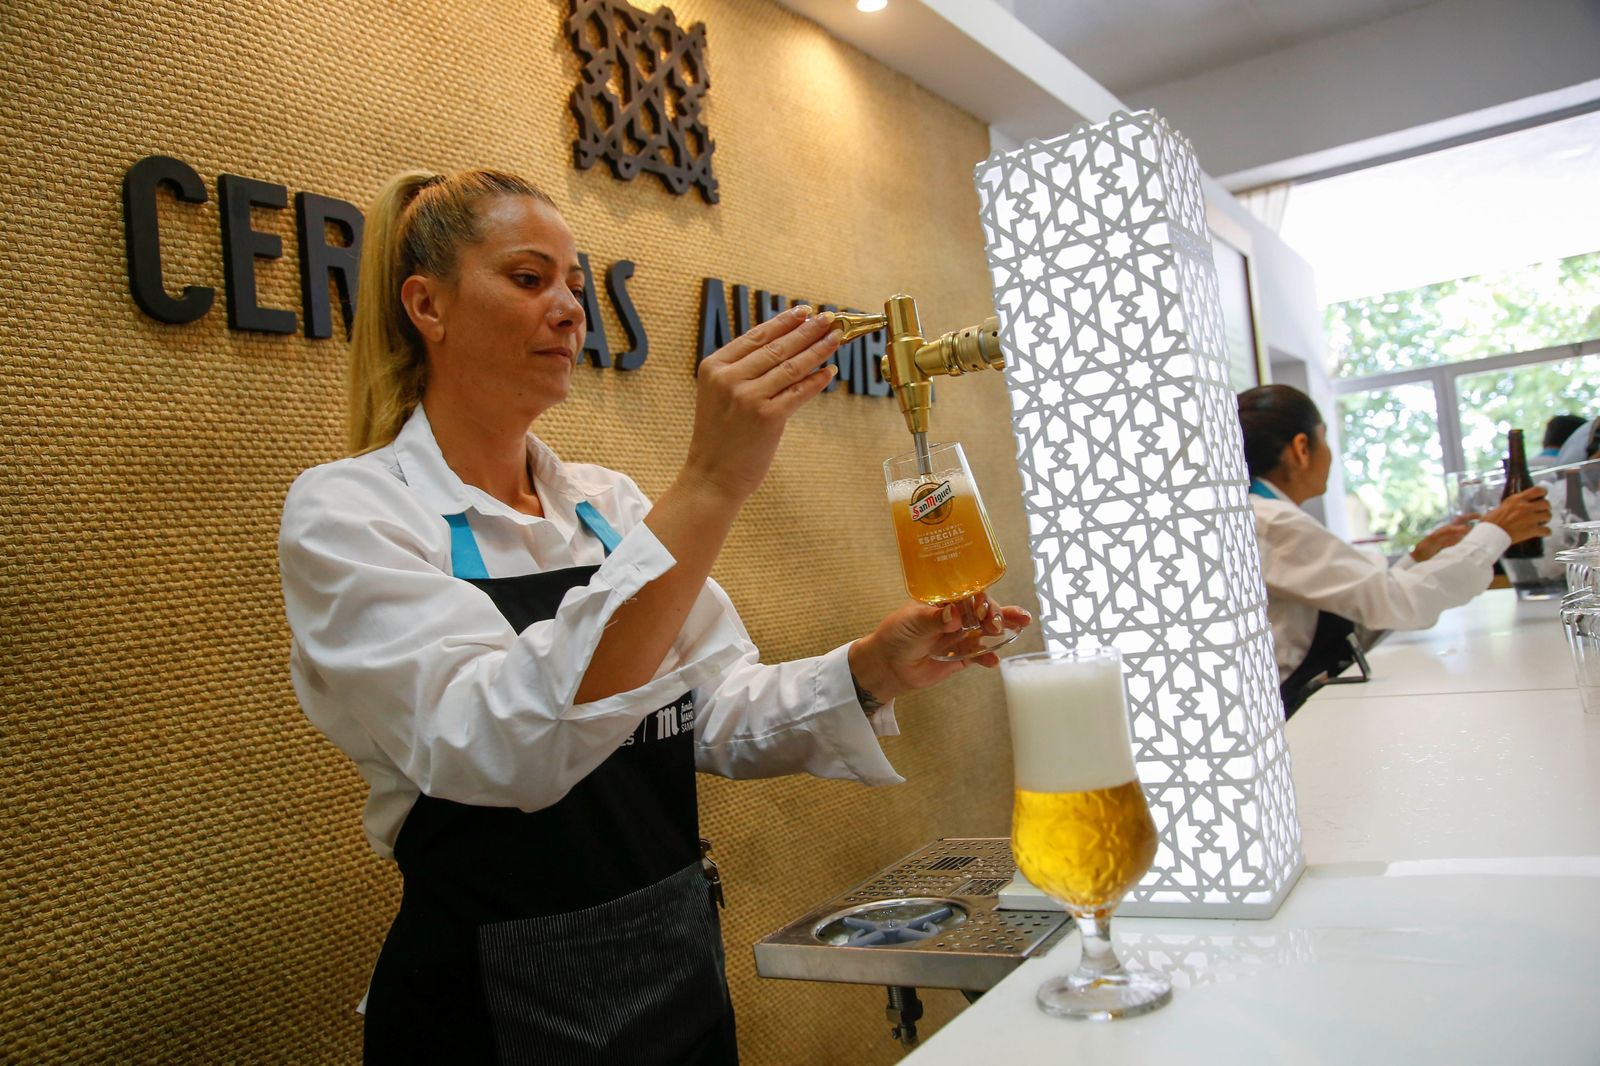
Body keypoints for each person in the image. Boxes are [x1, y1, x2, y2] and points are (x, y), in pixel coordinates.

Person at [277, 169, 1031, 1064]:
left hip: (674, 966)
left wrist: (872, 667)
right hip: (493, 1002)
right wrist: (712, 483)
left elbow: (710, 712)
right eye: (528, 279)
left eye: (572, 283)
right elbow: (501, 743)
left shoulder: (608, 505)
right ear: (427, 305)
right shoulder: (352, 513)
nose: (567, 308)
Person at [1236, 385, 1550, 712]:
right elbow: (1400, 603)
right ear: (1302, 448)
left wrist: (1418, 558)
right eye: (1325, 438)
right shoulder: (1272, 521)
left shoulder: (1263, 514)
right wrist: (1494, 532)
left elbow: (1361, 607)